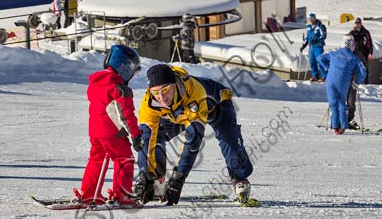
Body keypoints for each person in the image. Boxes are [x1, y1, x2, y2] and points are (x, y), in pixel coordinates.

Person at [133, 64, 253, 205]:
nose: (161, 97)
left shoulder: (193, 92)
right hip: (179, 114)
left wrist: (179, 177)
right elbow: (147, 137)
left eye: (165, 90)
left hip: (216, 105)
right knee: (156, 135)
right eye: (155, 92)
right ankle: (156, 179)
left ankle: (240, 178)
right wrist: (145, 174)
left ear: (174, 84)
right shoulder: (149, 103)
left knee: (228, 138)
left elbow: (193, 138)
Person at [73, 45, 143, 206]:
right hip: (113, 133)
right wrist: (135, 134)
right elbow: (126, 115)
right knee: (124, 159)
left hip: (95, 132)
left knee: (96, 159)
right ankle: (122, 196)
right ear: (125, 67)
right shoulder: (120, 89)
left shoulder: (95, 84)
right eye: (133, 71)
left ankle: (89, 194)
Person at [317, 35, 367, 135]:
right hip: (343, 83)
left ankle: (335, 127)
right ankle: (343, 127)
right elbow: (363, 71)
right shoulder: (354, 58)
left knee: (333, 104)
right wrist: (356, 83)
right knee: (341, 104)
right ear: (352, 45)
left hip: (330, 81)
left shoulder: (334, 53)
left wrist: (327, 69)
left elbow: (319, 58)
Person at [347, 17, 373, 129]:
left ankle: (365, 82)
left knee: (364, 69)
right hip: (355, 54)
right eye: (356, 23)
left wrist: (370, 52)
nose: (357, 25)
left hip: (363, 52)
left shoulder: (365, 32)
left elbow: (370, 43)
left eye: (358, 23)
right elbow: (347, 41)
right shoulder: (351, 33)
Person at [300, 13, 327, 82]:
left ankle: (325, 76)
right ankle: (315, 76)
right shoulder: (309, 27)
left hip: (318, 47)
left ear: (315, 18)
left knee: (320, 61)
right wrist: (303, 45)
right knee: (312, 62)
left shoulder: (320, 26)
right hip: (311, 47)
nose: (311, 20)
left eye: (312, 18)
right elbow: (307, 37)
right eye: (309, 19)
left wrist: (316, 41)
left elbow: (323, 36)